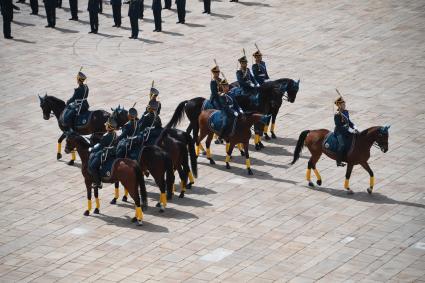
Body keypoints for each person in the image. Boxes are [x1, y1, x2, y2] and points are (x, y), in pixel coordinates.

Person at [88, 118, 118, 189]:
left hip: (105, 153)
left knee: (93, 166)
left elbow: (100, 147)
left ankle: (98, 183)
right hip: (112, 152)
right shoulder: (114, 134)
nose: (105, 126)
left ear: (108, 127)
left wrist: (92, 149)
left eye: (106, 125)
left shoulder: (106, 136)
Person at [334, 96, 358, 167]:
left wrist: (354, 127)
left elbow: (348, 121)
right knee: (342, 145)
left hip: (347, 130)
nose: (344, 105)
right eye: (343, 105)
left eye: (344, 104)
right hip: (339, 132)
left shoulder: (346, 112)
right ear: (339, 105)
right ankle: (338, 161)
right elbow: (338, 126)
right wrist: (349, 130)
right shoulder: (337, 114)